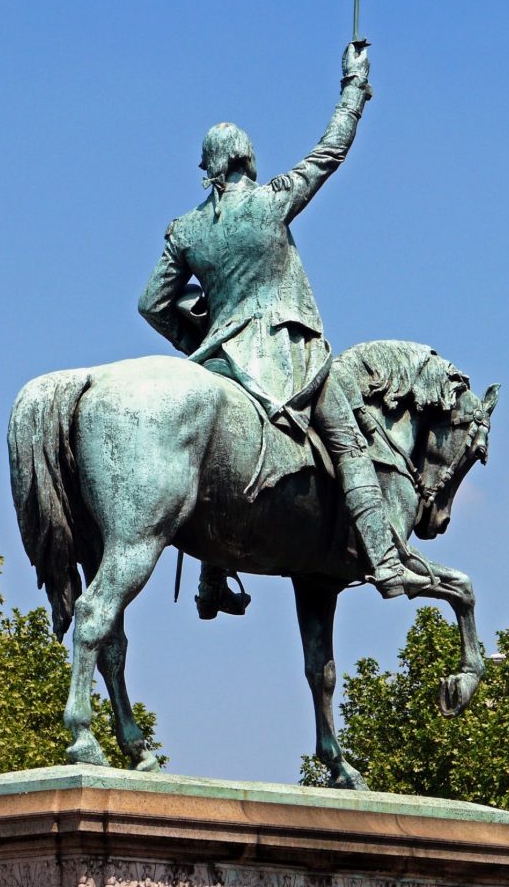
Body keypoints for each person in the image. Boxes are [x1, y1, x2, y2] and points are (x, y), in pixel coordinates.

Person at [139, 43, 412, 616]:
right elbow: (330, 151)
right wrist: (354, 88)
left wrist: (200, 341)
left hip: (221, 363)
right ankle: (386, 559)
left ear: (209, 166)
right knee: (348, 441)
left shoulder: (185, 231)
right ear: (246, 158)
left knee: (213, 461)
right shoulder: (271, 202)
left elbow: (152, 305)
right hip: (289, 356)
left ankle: (213, 581)